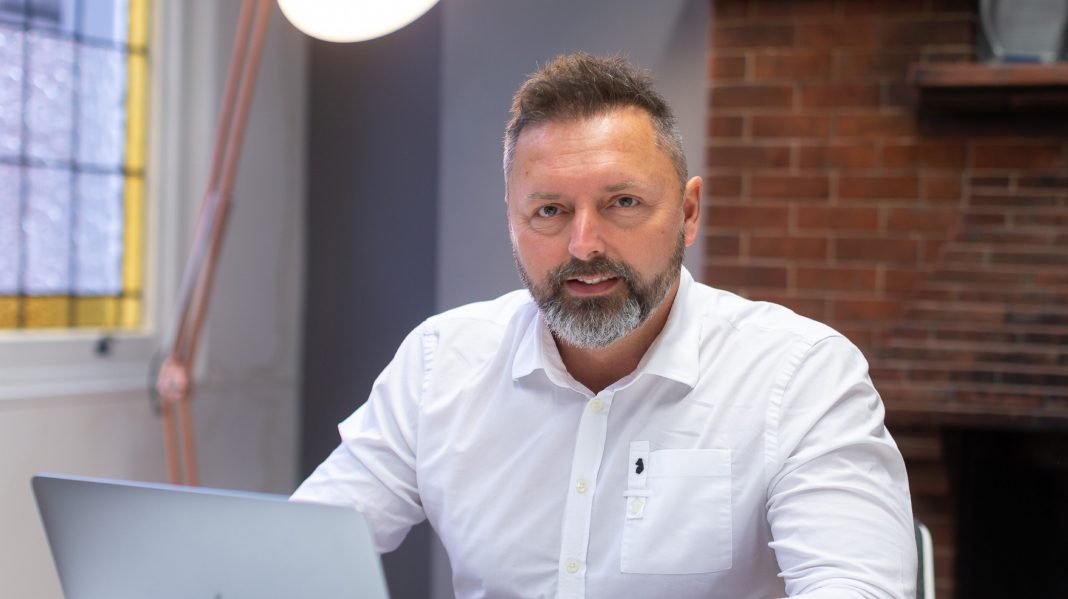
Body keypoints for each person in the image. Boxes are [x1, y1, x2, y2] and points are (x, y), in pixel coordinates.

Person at [293, 53, 916, 599]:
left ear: (688, 212)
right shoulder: (441, 362)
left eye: (623, 203)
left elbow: (855, 586)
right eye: (550, 210)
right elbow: (295, 555)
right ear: (512, 220)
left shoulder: (800, 374)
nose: (584, 244)